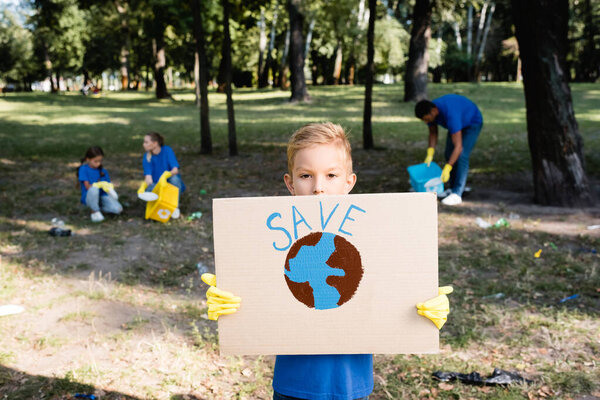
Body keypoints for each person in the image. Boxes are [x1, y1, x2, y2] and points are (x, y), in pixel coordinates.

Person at [201, 122, 452, 400]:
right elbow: (262, 291)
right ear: (290, 184)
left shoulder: (375, 240)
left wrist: (422, 304)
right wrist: (232, 299)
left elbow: (390, 289)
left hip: (352, 386)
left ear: (349, 183)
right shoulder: (269, 244)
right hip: (292, 386)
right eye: (306, 175)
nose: (319, 187)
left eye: (331, 175)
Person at [415, 94, 483, 206]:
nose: (427, 122)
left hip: (472, 123)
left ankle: (457, 193)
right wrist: (430, 153)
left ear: (434, 111)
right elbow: (433, 132)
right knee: (448, 153)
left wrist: (448, 167)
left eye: (427, 119)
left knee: (461, 155)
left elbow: (458, 147)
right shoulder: (431, 112)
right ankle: (452, 188)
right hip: (458, 124)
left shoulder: (451, 115)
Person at [141, 132, 186, 219]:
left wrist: (165, 176)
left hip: (168, 182)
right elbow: (148, 175)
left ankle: (174, 206)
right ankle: (158, 208)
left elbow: (175, 169)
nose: (144, 144)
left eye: (146, 142)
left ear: (155, 143)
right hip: (157, 184)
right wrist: (148, 180)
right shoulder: (147, 157)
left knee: (175, 179)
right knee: (150, 189)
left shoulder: (167, 150)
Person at [77, 146, 122, 222]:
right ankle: (94, 211)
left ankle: (98, 207)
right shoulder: (83, 169)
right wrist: (99, 184)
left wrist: (111, 186)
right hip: (89, 196)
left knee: (118, 209)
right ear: (88, 159)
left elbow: (107, 185)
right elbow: (88, 187)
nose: (98, 163)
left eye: (100, 161)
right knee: (94, 189)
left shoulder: (103, 171)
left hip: (102, 196)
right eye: (95, 161)